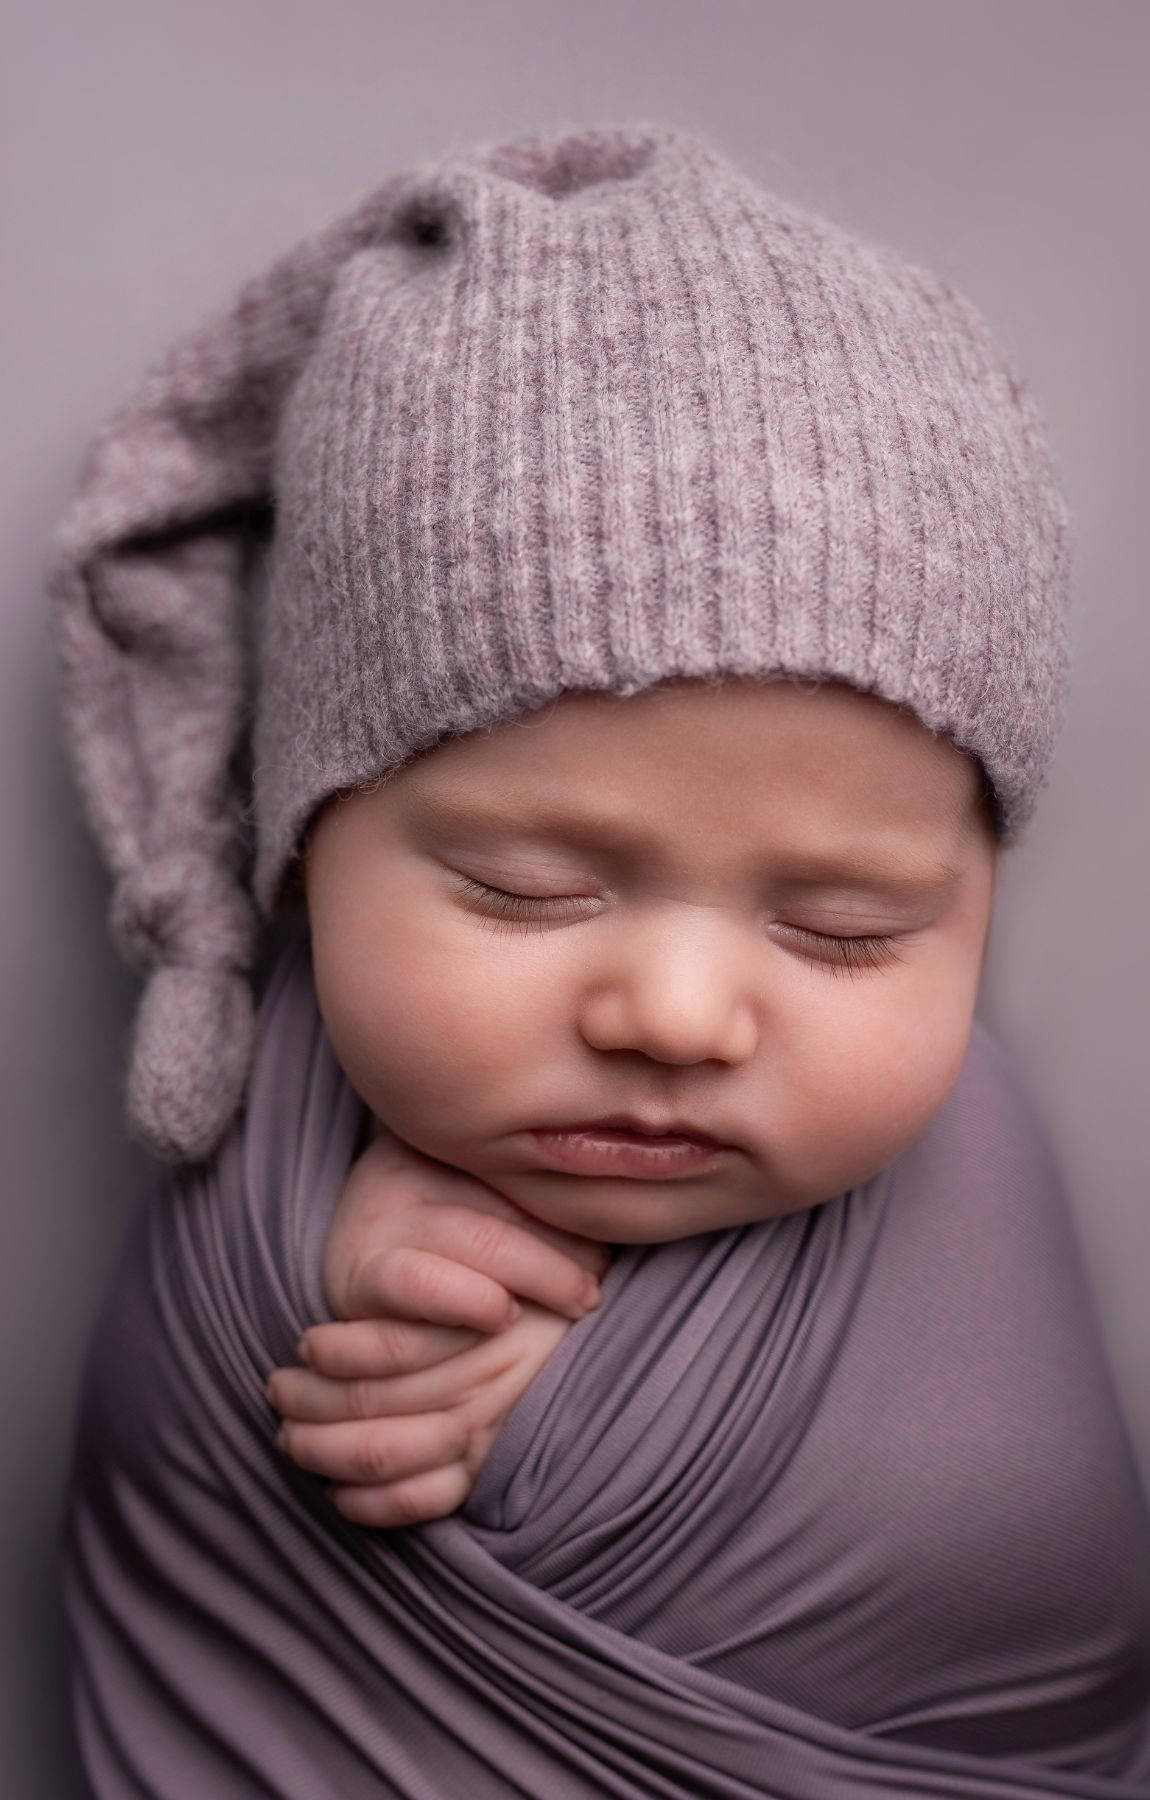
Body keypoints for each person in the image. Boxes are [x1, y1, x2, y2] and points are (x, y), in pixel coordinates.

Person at [49, 121, 1150, 1796]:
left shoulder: (972, 1207)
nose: (678, 1018)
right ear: (303, 854)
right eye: (522, 889)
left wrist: (597, 1416)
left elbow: (1011, 1600)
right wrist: (307, 1265)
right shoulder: (270, 1153)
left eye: (842, 930)